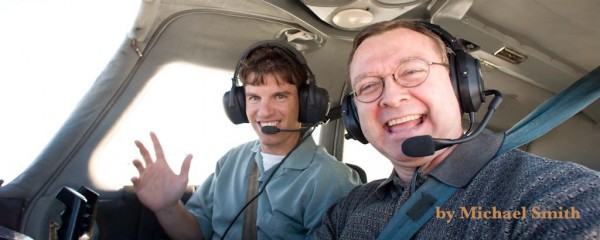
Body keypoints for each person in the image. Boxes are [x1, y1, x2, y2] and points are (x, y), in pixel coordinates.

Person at [314, 19, 600, 239]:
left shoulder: (543, 191)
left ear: (460, 85)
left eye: (412, 71)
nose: (390, 97)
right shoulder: (348, 208)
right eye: (368, 86)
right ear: (354, 116)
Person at [131, 41, 362, 239]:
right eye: (253, 97)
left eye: (280, 96)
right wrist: (168, 208)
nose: (264, 111)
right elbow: (196, 234)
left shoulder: (330, 180)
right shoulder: (230, 162)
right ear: (239, 105)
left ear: (304, 103)